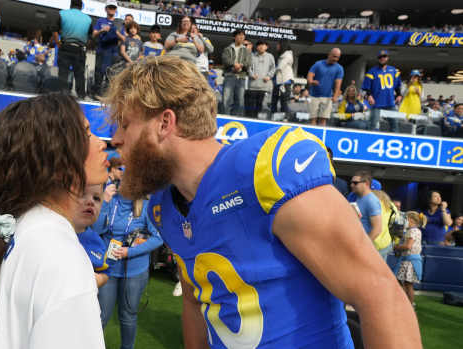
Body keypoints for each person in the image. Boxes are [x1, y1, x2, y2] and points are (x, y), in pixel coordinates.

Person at [102, 55, 421, 349]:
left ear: (164, 123)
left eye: (125, 124)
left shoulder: (266, 171)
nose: (115, 139)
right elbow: (194, 299)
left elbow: (380, 295)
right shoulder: (164, 206)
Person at [0, 93, 108, 349]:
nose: (101, 143)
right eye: (87, 134)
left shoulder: (19, 232)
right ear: (57, 159)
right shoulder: (62, 256)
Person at [95, 158, 163, 349]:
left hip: (134, 271)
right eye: (122, 179)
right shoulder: (111, 200)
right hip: (107, 268)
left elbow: (158, 238)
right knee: (100, 316)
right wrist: (105, 202)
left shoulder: (146, 206)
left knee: (128, 316)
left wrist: (130, 252)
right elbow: (97, 229)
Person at [51, 0, 92, 99]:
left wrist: (58, 43)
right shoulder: (88, 19)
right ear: (81, 7)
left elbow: (54, 30)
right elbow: (90, 37)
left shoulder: (62, 14)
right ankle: (81, 96)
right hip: (80, 49)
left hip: (65, 46)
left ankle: (62, 97)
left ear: (71, 5)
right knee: (79, 75)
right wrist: (85, 46)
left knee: (63, 74)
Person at [74, 184, 113, 287]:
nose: (91, 202)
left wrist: (99, 279)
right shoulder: (50, 232)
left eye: (96, 198)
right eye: (82, 195)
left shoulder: (97, 242)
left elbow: (105, 271)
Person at [361, 50, 402, 132]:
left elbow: (397, 85)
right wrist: (369, 96)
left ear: (387, 58)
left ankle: (393, 142)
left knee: (395, 124)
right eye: (380, 57)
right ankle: (368, 141)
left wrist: (399, 95)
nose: (382, 58)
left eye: (384, 56)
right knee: (372, 125)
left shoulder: (394, 70)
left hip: (390, 102)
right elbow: (366, 87)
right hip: (376, 102)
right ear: (378, 59)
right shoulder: (372, 71)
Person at [393, 211, 426, 307]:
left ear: (411, 220)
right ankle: (406, 303)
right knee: (403, 282)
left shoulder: (412, 231)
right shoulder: (414, 231)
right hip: (408, 260)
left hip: (410, 261)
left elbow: (408, 246)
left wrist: (396, 247)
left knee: (408, 284)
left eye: (405, 219)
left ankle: (409, 304)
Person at [307, 48, 344, 126]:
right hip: (313, 96)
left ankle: (320, 137)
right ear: (329, 55)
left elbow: (338, 84)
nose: (335, 59)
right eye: (334, 56)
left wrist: (335, 96)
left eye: (337, 57)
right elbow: (309, 76)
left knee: (323, 120)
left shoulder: (339, 69)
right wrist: (311, 81)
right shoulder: (318, 64)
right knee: (313, 119)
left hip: (327, 97)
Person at [92, 0, 121, 97]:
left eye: (113, 7)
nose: (111, 9)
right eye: (110, 7)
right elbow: (94, 35)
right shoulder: (100, 21)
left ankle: (107, 96)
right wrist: (102, 30)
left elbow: (123, 39)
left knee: (111, 75)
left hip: (113, 52)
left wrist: (116, 32)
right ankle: (96, 94)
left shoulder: (119, 23)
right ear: (106, 9)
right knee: (98, 73)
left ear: (116, 9)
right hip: (101, 50)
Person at [221, 29, 251, 116]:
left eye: (243, 35)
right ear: (234, 37)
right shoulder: (227, 49)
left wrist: (240, 65)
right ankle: (225, 117)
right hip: (229, 76)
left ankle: (238, 119)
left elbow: (248, 62)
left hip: (241, 77)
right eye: (239, 35)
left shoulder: (246, 50)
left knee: (240, 100)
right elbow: (225, 60)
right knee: (226, 99)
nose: (241, 37)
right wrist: (234, 64)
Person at [245, 40, 275, 118]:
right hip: (252, 86)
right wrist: (252, 75)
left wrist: (268, 76)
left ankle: (257, 121)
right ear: (257, 47)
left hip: (264, 87)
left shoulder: (270, 56)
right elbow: (248, 67)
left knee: (260, 107)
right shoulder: (252, 56)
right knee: (250, 107)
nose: (261, 46)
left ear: (267, 47)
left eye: (264, 45)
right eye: (259, 45)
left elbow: (273, 68)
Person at [271, 40, 294, 115]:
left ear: (282, 45)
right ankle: (273, 118)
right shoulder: (282, 56)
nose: (277, 46)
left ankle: (285, 120)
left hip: (285, 82)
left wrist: (269, 74)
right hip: (278, 82)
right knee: (274, 101)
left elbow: (280, 67)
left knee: (283, 102)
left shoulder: (287, 55)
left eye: (278, 44)